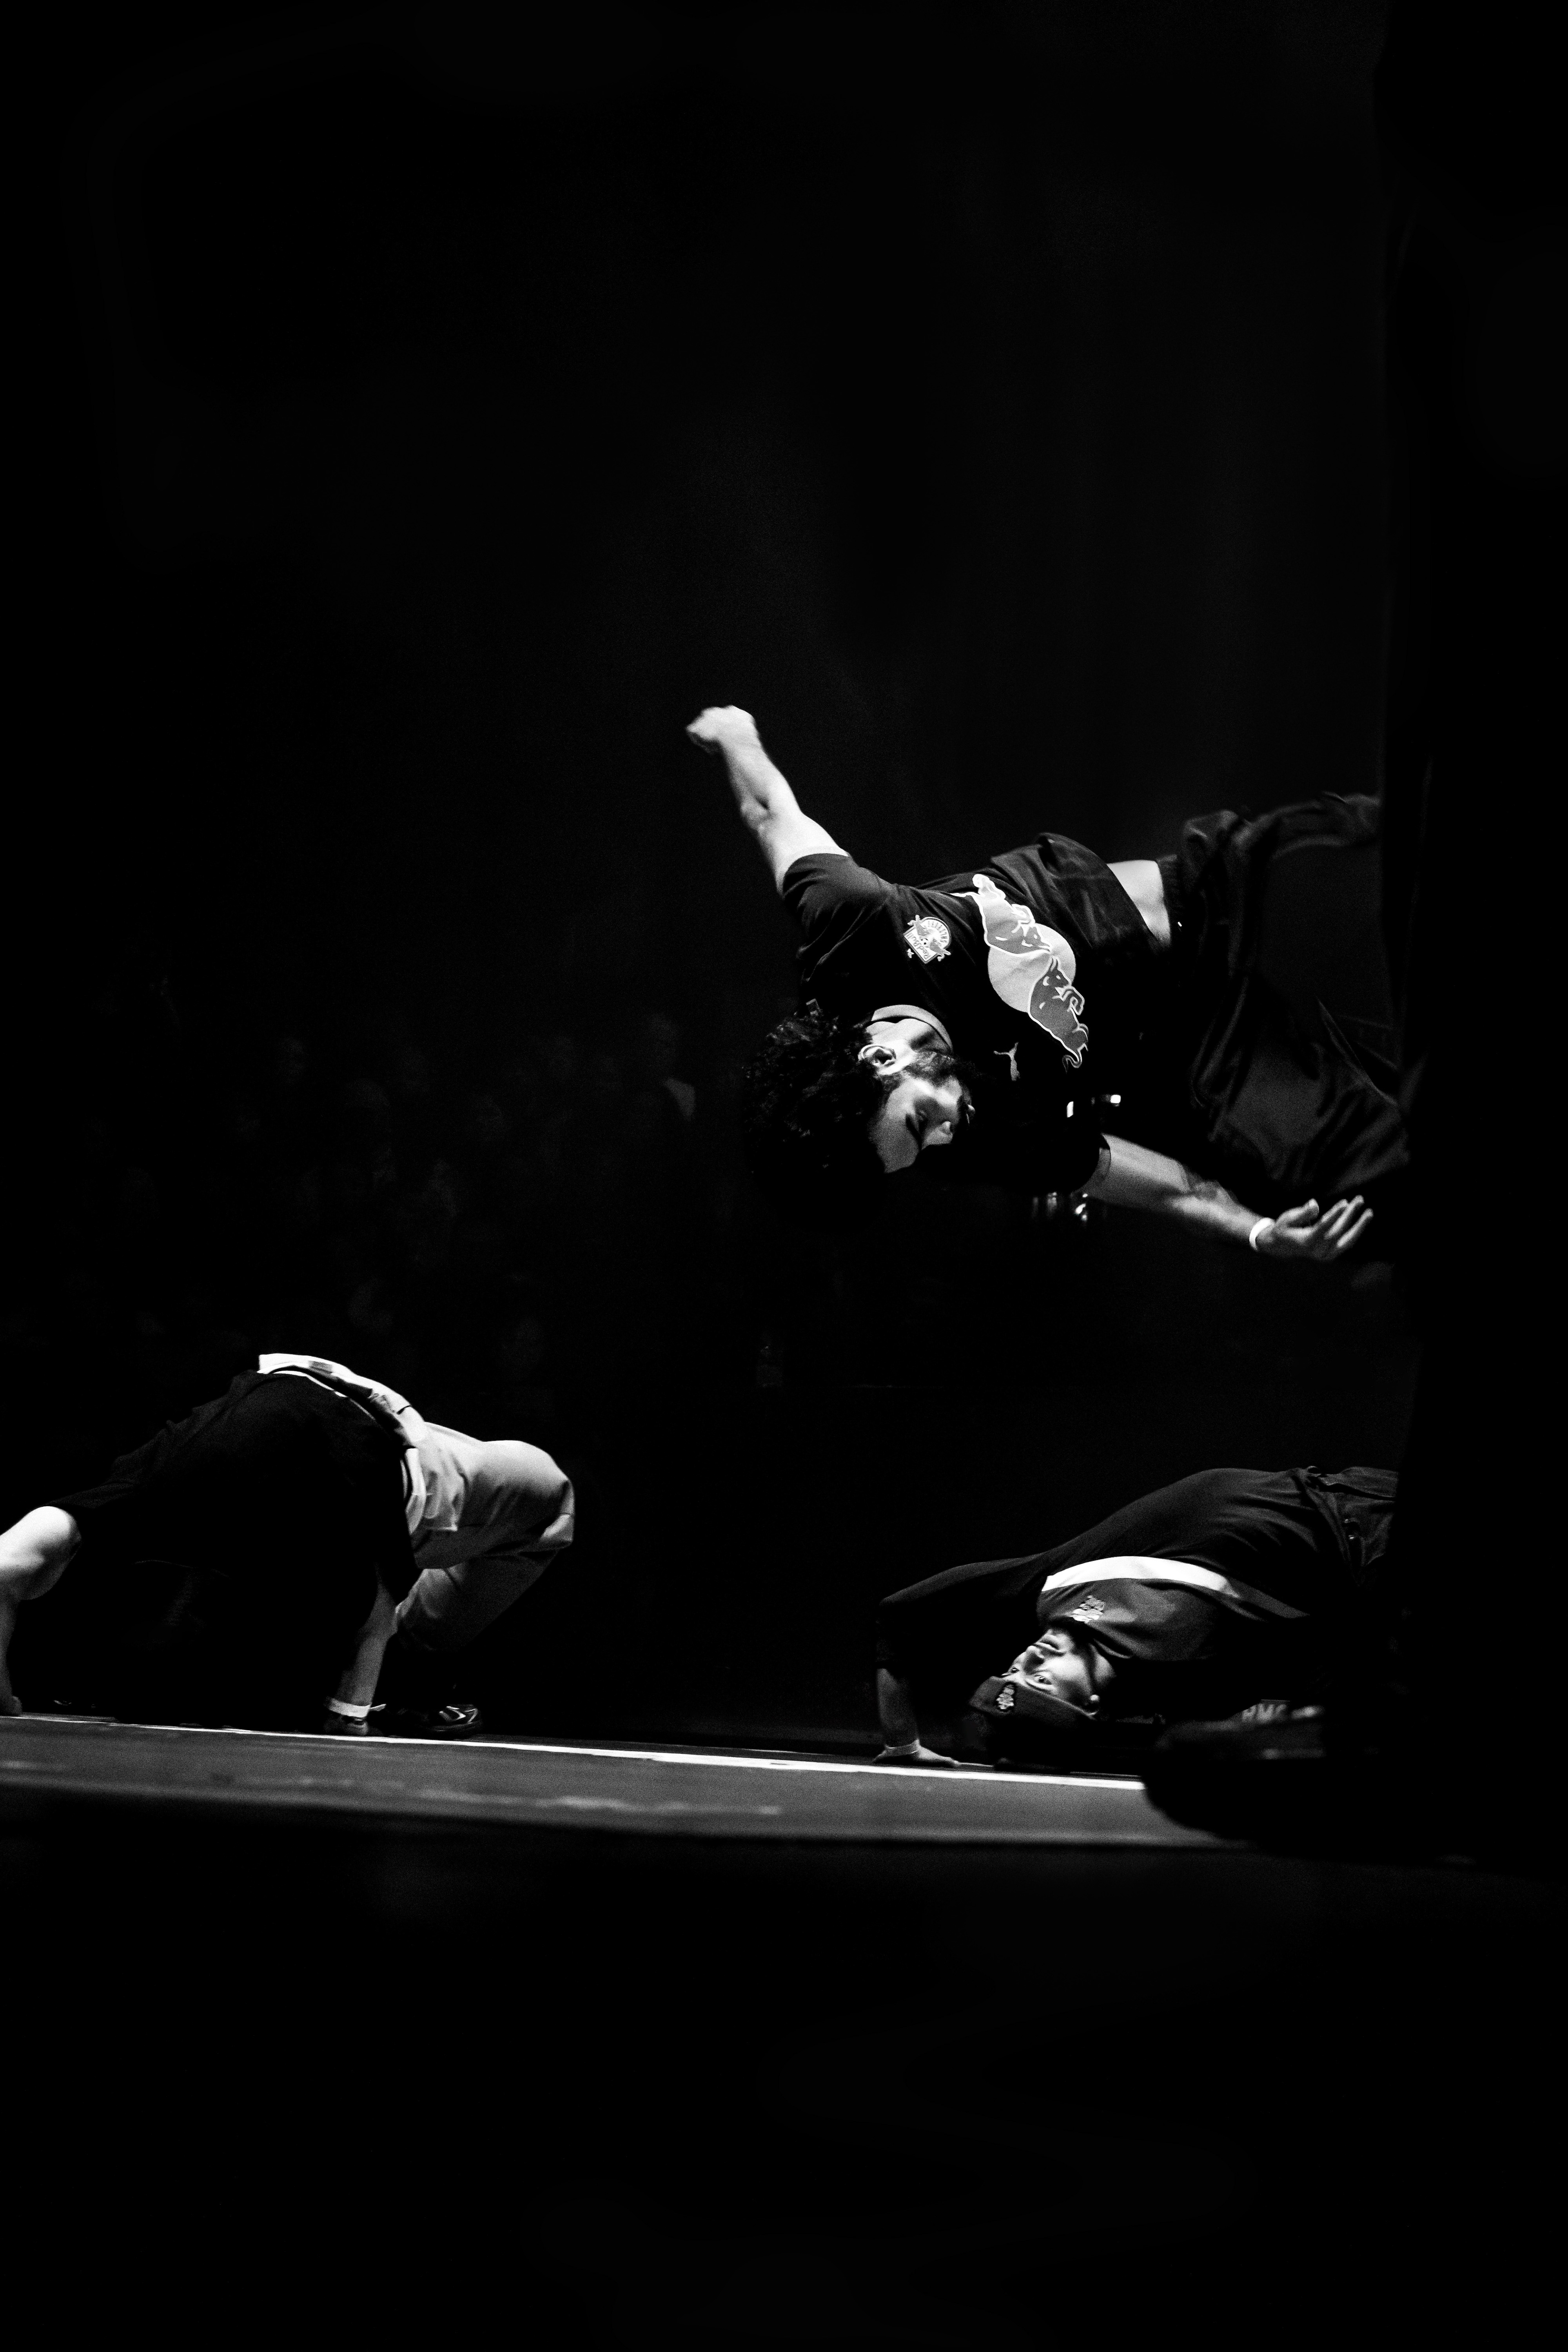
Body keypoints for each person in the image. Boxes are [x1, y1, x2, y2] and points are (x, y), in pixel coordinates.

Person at [688, 705, 1405, 1256]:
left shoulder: (853, 933)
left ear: (877, 1059)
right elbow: (1154, 1185)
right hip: (1209, 1045)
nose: (945, 1135)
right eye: (927, 1148)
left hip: (1215, 895)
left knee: (1390, 853)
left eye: (920, 1123)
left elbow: (771, 814)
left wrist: (734, 734)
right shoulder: (980, 1133)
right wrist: (1258, 1233)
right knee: (1374, 1170)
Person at [0, 1352, 574, 1737]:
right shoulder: (228, 1497)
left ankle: (404, 1671)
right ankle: (406, 1673)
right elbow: (375, 1615)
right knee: (550, 1499)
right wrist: (353, 1710)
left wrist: (353, 1711)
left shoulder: (184, 1484)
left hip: (361, 1439)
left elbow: (377, 1610)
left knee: (544, 1493)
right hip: (363, 1453)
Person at [872, 1465, 1396, 1768]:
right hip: (1369, 1539)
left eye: (1011, 1670)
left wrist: (902, 1743)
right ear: (1092, 1706)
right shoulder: (1197, 1679)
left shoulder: (1045, 1589)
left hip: (1331, 1488)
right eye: (1041, 1682)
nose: (1029, 1659)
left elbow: (901, 1614)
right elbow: (1329, 1658)